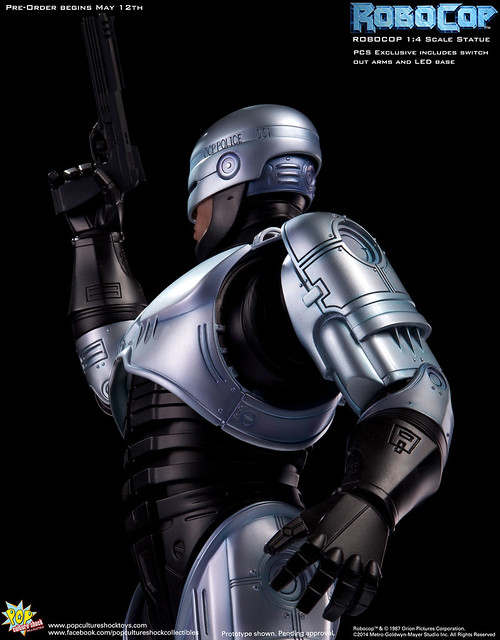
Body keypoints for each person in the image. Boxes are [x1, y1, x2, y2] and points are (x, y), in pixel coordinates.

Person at [51, 104, 453, 638]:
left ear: (223, 179)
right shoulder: (192, 296)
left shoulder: (304, 252)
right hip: (163, 581)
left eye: (195, 206)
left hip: (255, 557)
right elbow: (119, 383)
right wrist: (94, 237)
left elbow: (419, 386)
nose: (194, 222)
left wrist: (371, 500)